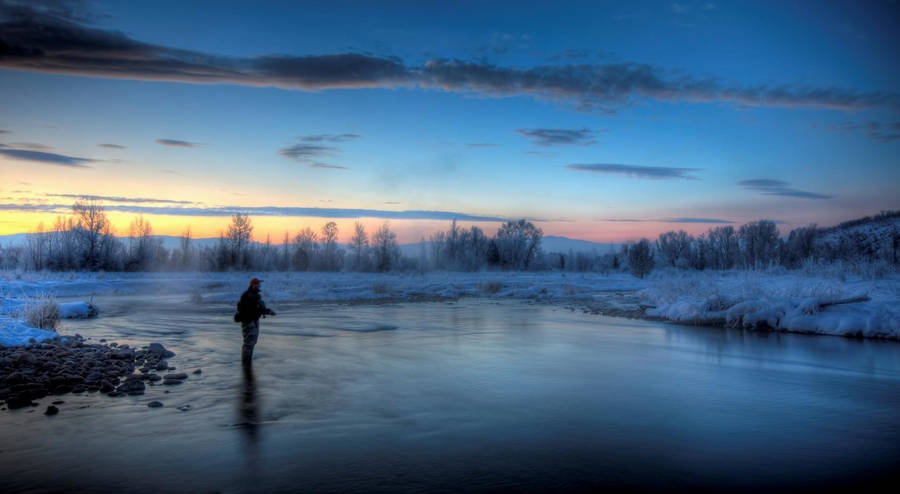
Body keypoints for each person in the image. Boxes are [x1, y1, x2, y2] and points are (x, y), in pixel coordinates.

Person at [236, 277, 275, 364]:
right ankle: (246, 362)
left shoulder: (256, 296)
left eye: (259, 284)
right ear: (252, 285)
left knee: (253, 341)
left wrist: (267, 311)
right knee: (248, 342)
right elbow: (244, 309)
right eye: (256, 284)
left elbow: (261, 308)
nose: (258, 285)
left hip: (255, 320)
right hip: (248, 321)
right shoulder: (247, 295)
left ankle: (248, 361)